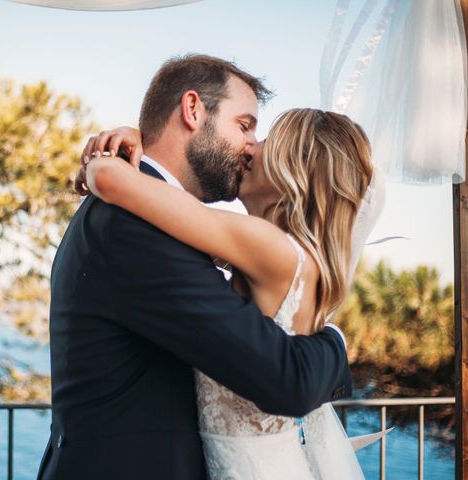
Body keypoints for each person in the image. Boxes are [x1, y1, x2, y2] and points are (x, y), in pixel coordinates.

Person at [37, 54, 353, 480]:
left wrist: (111, 159)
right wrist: (334, 341)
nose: (249, 147)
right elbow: (285, 379)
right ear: (192, 110)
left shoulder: (164, 221)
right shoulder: (138, 228)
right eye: (244, 125)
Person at [82, 106, 385, 478]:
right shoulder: (299, 261)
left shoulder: (266, 246)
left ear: (292, 169)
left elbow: (110, 181)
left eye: (268, 143)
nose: (250, 149)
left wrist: (108, 157)